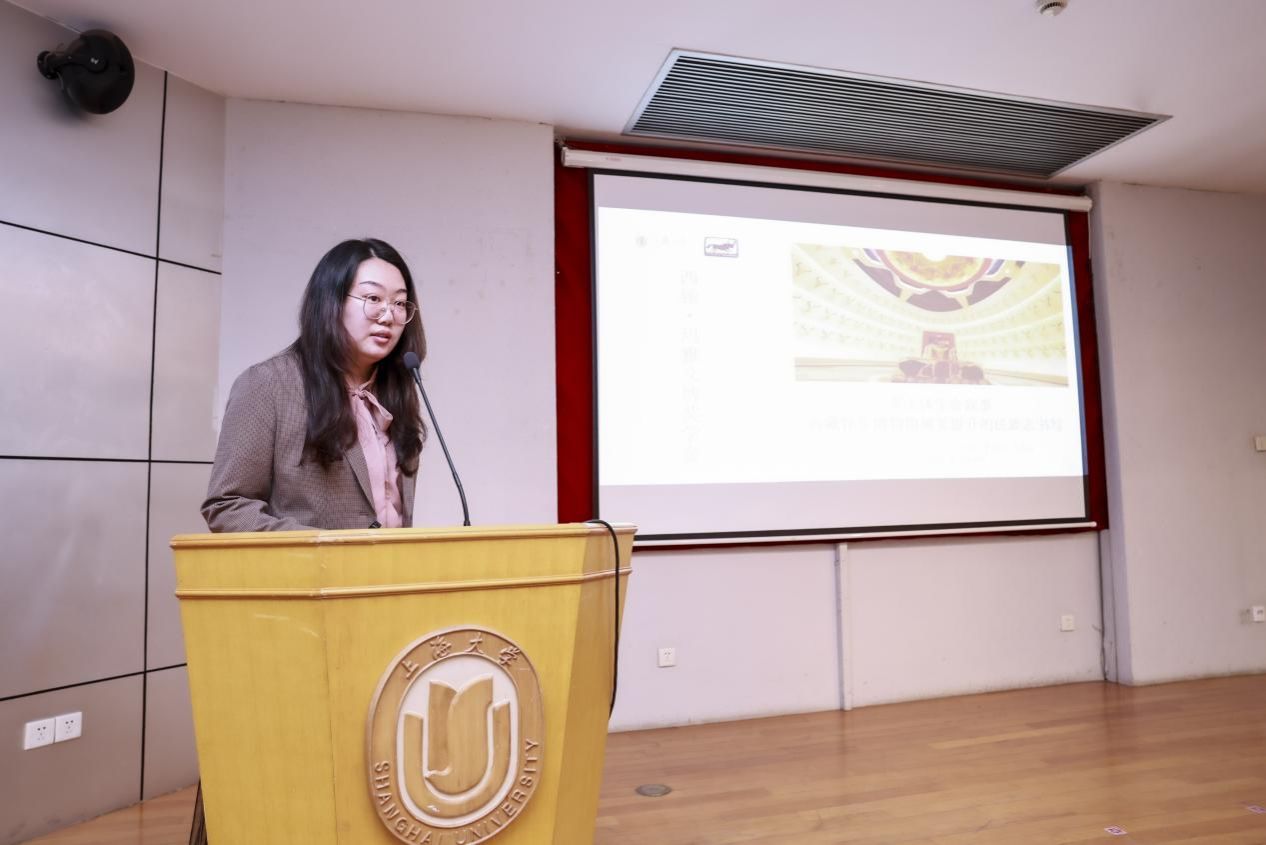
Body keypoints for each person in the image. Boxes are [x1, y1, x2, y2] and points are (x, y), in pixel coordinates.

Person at [201, 237, 427, 533]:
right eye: (373, 299)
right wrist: (323, 548)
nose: (388, 316)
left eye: (399, 303)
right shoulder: (268, 385)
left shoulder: (397, 392)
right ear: (331, 300)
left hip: (390, 565)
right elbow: (227, 506)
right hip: (308, 564)